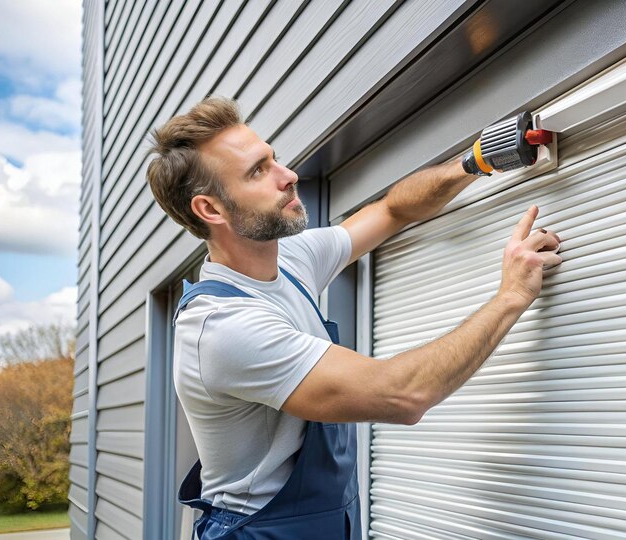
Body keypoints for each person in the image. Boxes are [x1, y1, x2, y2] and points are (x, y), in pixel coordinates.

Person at [146, 96, 561, 539]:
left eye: (274, 160)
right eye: (257, 172)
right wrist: (512, 295)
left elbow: (390, 210)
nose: (288, 177)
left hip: (328, 520)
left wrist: (474, 161)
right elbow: (403, 394)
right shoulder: (223, 328)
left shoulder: (290, 258)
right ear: (211, 210)